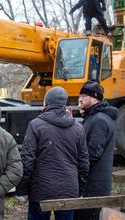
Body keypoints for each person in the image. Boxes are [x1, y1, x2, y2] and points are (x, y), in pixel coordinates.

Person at [16, 86, 89, 220]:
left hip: (40, 191)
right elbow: (84, 163)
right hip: (68, 190)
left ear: (46, 103)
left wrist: (22, 190)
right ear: (64, 104)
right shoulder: (78, 128)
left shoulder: (35, 125)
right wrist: (79, 189)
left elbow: (27, 160)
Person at [74, 81, 118, 220]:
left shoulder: (99, 120)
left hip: (94, 187)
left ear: (94, 97)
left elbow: (93, 154)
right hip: (91, 185)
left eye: (84, 95)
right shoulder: (93, 117)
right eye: (79, 95)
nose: (79, 98)